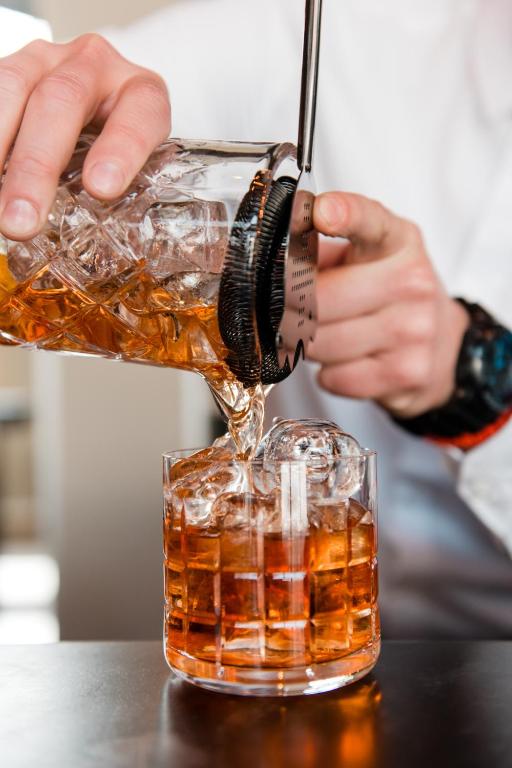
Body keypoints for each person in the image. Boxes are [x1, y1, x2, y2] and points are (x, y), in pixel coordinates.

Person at [0, 0, 511, 638]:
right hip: (306, 653)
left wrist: (473, 379)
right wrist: (63, 91)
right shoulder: (321, 31)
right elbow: (119, 83)